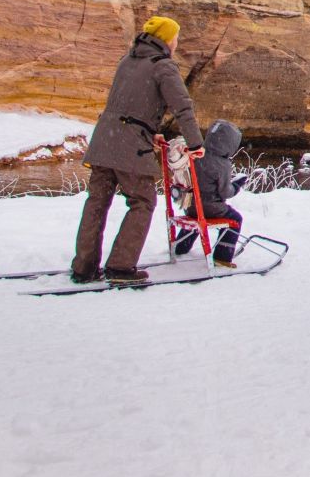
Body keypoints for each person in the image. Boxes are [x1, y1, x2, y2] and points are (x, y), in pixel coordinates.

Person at [74, 16, 203, 284]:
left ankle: (84, 267)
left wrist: (149, 130)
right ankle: (121, 267)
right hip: (129, 146)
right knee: (143, 201)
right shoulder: (163, 66)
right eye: (176, 37)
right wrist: (195, 143)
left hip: (104, 141)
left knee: (96, 203)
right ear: (167, 39)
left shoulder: (128, 60)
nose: (177, 42)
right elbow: (182, 106)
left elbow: (129, 104)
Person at [170, 119, 247, 266]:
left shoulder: (196, 155)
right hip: (210, 208)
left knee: (197, 215)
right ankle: (222, 257)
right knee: (235, 219)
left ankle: (181, 247)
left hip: (191, 205)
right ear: (230, 144)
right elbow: (225, 193)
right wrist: (237, 185)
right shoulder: (222, 164)